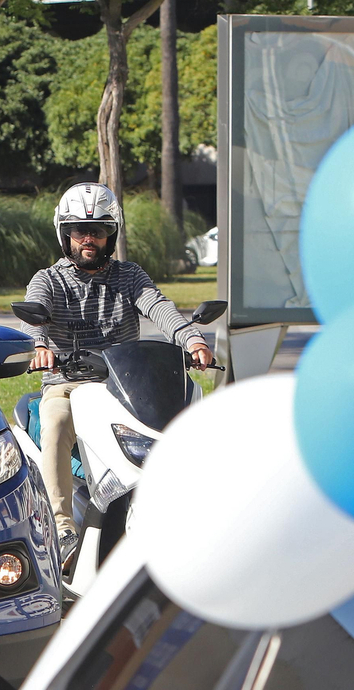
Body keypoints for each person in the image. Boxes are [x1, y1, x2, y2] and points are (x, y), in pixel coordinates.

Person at [22, 183, 214, 572]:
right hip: (68, 382)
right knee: (56, 421)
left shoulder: (130, 277)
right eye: (79, 230)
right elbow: (35, 313)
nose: (88, 239)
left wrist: (192, 338)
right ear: (65, 234)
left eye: (99, 230)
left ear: (112, 234)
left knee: (196, 414)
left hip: (127, 382)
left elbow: (159, 307)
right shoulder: (49, 279)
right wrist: (39, 346)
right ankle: (62, 529)